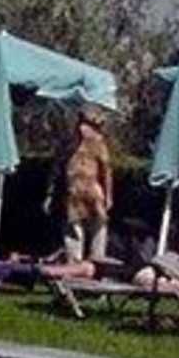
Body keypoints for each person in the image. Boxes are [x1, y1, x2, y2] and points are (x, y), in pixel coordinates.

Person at [56, 108, 114, 263]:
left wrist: (109, 195)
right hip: (74, 192)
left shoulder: (99, 144)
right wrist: (50, 193)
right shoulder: (69, 144)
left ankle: (97, 261)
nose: (83, 128)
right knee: (73, 229)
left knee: (98, 226)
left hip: (93, 191)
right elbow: (58, 168)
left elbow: (106, 171)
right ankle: (74, 262)